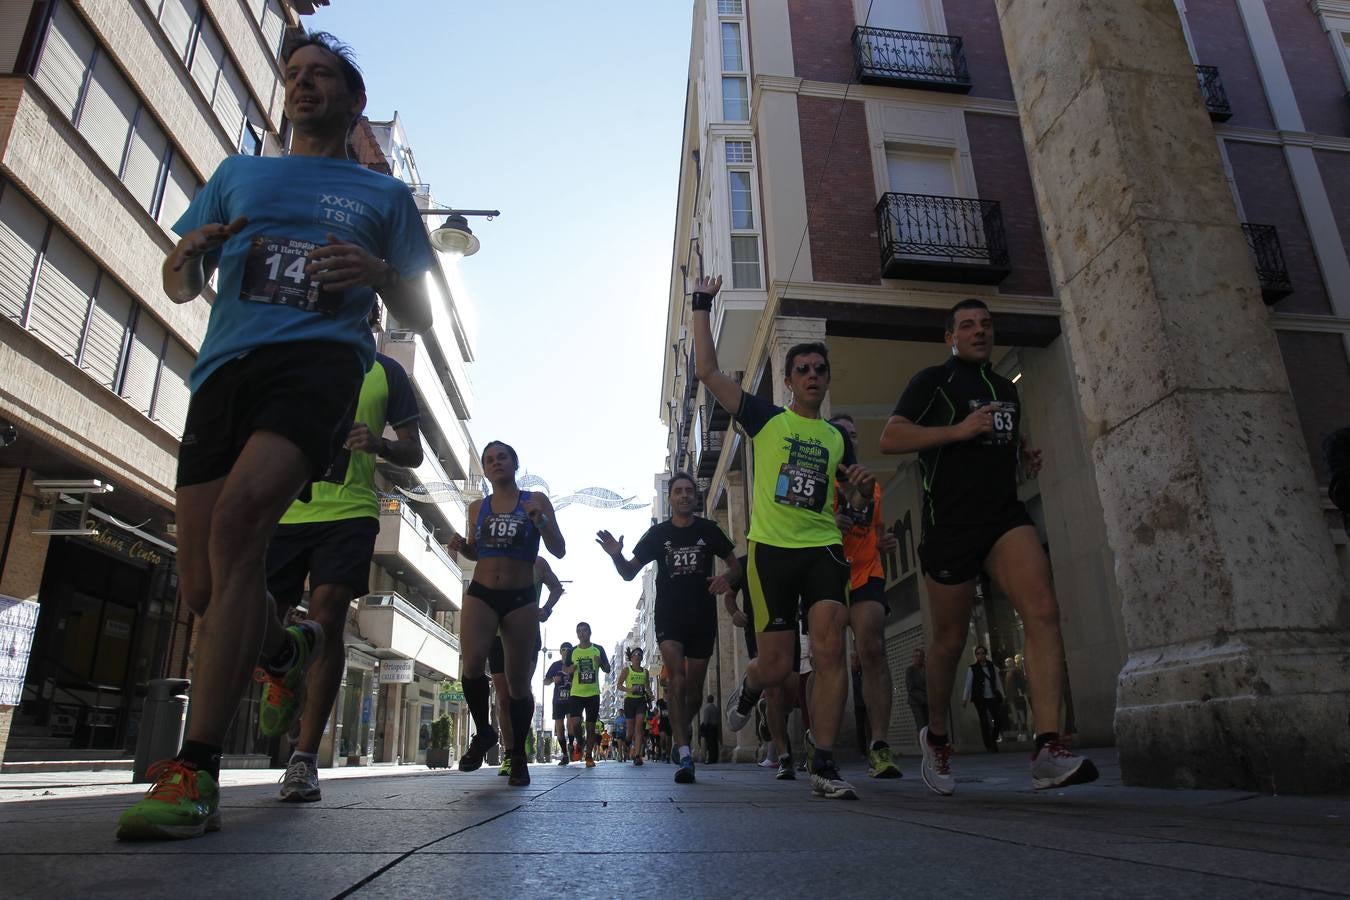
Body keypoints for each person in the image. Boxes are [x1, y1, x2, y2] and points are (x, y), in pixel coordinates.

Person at [116, 33, 435, 841]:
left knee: (239, 525)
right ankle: (286, 648)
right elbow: (180, 282)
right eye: (293, 74)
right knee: (202, 586)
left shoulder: (381, 197)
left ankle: (195, 771)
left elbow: (420, 315)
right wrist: (186, 255)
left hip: (320, 366)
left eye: (320, 75)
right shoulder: (236, 175)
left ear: (352, 101)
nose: (302, 85)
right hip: (224, 371)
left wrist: (378, 275)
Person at [880, 298, 1097, 794]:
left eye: (986, 324)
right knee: (950, 641)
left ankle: (1047, 746)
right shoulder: (933, 381)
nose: (979, 331)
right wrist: (958, 430)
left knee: (1042, 609)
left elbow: (1001, 444)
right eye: (967, 325)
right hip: (950, 526)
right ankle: (936, 735)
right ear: (950, 337)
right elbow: (891, 438)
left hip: (1003, 519)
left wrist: (1023, 456)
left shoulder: (1005, 389)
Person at [691, 275, 874, 801]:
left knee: (830, 652)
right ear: (789, 382)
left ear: (826, 378)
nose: (812, 376)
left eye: (820, 370)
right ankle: (749, 688)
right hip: (771, 555)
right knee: (775, 667)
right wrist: (702, 304)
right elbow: (706, 371)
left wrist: (859, 497)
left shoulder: (838, 439)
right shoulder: (765, 419)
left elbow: (854, 512)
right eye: (802, 370)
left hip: (823, 551)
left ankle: (823, 760)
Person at [268, 311, 424, 803]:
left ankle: (304, 760)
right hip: (285, 506)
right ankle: (281, 660)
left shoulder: (388, 373)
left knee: (329, 618)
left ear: (374, 321)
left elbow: (413, 451)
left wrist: (380, 444)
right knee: (259, 617)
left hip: (351, 511)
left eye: (363, 311)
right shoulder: (296, 357)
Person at [596, 473, 740, 783]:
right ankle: (684, 752)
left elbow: (736, 565)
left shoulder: (709, 530)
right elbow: (628, 574)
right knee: (677, 679)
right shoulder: (657, 534)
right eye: (678, 491)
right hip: (669, 618)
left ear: (695, 497)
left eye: (689, 491)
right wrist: (616, 555)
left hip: (702, 616)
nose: (684, 495)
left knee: (694, 693)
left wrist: (726, 579)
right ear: (671, 498)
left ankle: (680, 730)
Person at [446, 441, 565, 787]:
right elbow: (476, 551)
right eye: (489, 460)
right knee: (471, 665)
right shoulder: (476, 508)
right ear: (485, 470)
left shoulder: (535, 500)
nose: (496, 463)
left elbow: (558, 548)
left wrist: (540, 520)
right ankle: (484, 733)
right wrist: (462, 547)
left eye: (502, 457)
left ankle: (517, 756)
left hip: (520, 598)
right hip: (482, 592)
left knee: (516, 684)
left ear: (515, 464)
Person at [829, 414, 902, 779]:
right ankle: (821, 742)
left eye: (854, 436)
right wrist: (829, 522)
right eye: (843, 435)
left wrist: (885, 542)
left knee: (872, 647)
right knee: (827, 658)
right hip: (827, 575)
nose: (851, 441)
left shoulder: (870, 484)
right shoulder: (819, 481)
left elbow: (877, 531)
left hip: (866, 573)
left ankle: (878, 744)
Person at [491, 557, 564, 777]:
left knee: (520, 689)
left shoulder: (538, 563)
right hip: (496, 634)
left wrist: (547, 610)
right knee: (502, 697)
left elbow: (557, 588)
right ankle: (510, 753)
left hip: (527, 633)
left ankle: (519, 752)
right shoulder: (495, 557)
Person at [564, 622, 611, 768]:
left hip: (593, 693)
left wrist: (600, 662)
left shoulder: (598, 649)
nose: (582, 633)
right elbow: (565, 668)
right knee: (575, 723)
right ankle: (580, 739)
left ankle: (589, 756)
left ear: (590, 632)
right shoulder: (572, 651)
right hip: (576, 693)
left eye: (584, 630)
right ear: (576, 634)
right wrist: (570, 669)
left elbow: (608, 669)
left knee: (590, 727)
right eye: (579, 631)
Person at [963, 647, 1004, 752]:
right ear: (976, 655)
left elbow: (997, 681)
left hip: (992, 697)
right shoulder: (972, 668)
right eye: (978, 653)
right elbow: (968, 684)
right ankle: (989, 745)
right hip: (979, 698)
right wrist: (965, 698)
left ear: (986, 654)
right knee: (984, 721)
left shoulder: (992, 666)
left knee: (998, 719)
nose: (980, 655)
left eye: (982, 653)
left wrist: (1002, 694)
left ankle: (993, 739)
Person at [616, 648, 651, 765]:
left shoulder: (645, 672)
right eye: (635, 654)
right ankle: (627, 743)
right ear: (631, 657)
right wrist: (630, 689)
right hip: (630, 701)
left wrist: (650, 695)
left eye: (640, 654)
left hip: (641, 701)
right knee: (630, 731)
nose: (638, 656)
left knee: (639, 728)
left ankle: (637, 756)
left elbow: (647, 687)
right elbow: (619, 686)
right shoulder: (627, 670)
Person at [545, 641, 574, 765]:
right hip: (558, 700)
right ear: (560, 651)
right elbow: (545, 681)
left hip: (572, 699)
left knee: (571, 725)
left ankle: (571, 744)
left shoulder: (574, 664)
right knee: (560, 728)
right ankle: (565, 754)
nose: (566, 651)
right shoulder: (555, 665)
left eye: (568, 649)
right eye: (563, 649)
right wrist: (553, 679)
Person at [905, 648, 930, 733]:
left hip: (928, 701)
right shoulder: (910, 670)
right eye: (916, 656)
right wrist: (923, 699)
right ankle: (922, 744)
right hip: (916, 702)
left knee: (929, 724)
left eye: (920, 656)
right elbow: (911, 689)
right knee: (921, 724)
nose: (918, 658)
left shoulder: (927, 669)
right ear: (913, 658)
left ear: (923, 657)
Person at [699, 695, 720, 764]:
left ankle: (710, 759)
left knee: (710, 745)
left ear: (707, 700)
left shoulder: (707, 708)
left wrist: (702, 728)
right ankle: (715, 758)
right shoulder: (716, 708)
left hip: (710, 728)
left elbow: (705, 721)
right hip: (715, 728)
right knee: (715, 744)